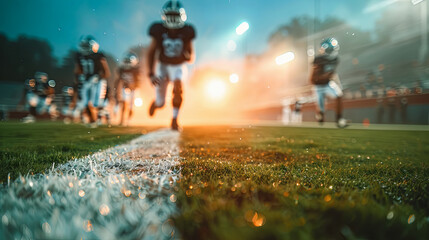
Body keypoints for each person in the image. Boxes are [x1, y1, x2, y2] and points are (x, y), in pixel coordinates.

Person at [146, 0, 196, 130]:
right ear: (164, 16)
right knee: (161, 102)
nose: (173, 19)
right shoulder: (158, 30)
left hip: (178, 66)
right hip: (163, 66)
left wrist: (188, 55)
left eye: (175, 15)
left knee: (178, 87)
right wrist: (151, 74)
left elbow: (191, 57)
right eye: (170, 15)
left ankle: (174, 119)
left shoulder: (187, 31)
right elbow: (151, 52)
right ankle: (156, 104)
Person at [309, 37, 347, 128]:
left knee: (339, 96)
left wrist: (338, 83)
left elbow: (333, 73)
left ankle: (339, 119)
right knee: (321, 110)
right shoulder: (318, 60)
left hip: (327, 84)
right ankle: (320, 115)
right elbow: (313, 78)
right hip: (318, 85)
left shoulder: (335, 59)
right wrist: (324, 76)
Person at [74, 35, 110, 127]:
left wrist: (98, 77)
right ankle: (92, 121)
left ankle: (101, 115)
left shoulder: (99, 56)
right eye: (83, 46)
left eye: (86, 46)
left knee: (96, 103)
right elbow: (78, 70)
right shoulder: (80, 56)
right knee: (85, 102)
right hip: (86, 81)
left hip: (98, 81)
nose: (84, 48)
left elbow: (106, 72)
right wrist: (78, 79)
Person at [115, 52, 141, 126]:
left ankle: (128, 120)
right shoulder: (121, 69)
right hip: (125, 88)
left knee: (131, 106)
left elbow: (138, 82)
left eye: (128, 61)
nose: (127, 63)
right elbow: (120, 79)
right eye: (126, 61)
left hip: (134, 89)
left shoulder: (136, 70)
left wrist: (133, 86)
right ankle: (122, 119)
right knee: (123, 103)